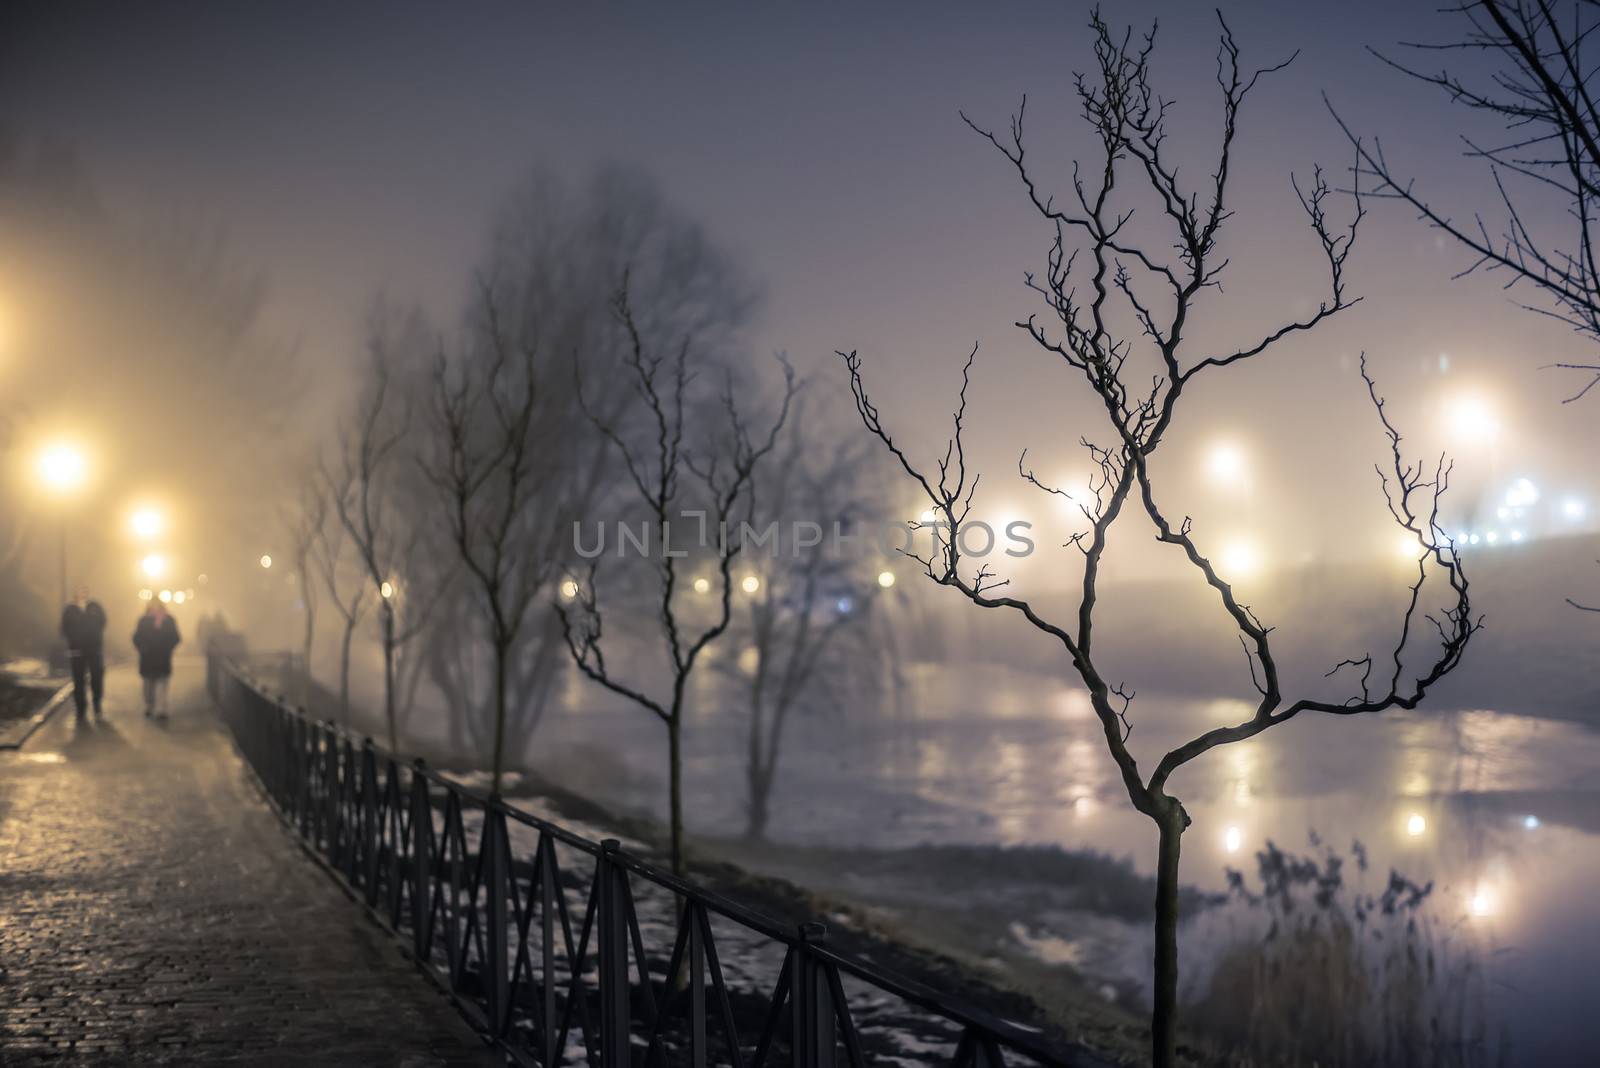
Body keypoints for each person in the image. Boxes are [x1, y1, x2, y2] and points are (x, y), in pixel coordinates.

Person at [60, 586, 107, 720]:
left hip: (94, 649)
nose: (82, 593)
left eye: (84, 590)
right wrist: (73, 640)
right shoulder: (70, 610)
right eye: (79, 590)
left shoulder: (95, 607)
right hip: (76, 650)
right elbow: (64, 628)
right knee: (78, 679)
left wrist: (95, 636)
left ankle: (97, 703)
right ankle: (81, 708)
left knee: (97, 677)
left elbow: (103, 622)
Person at [133, 600, 182, 719]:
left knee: (162, 684)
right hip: (147, 658)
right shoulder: (143, 621)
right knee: (148, 685)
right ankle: (149, 706)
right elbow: (136, 638)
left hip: (163, 658)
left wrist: (168, 648)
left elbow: (176, 637)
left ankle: (161, 709)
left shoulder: (169, 620)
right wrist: (143, 648)